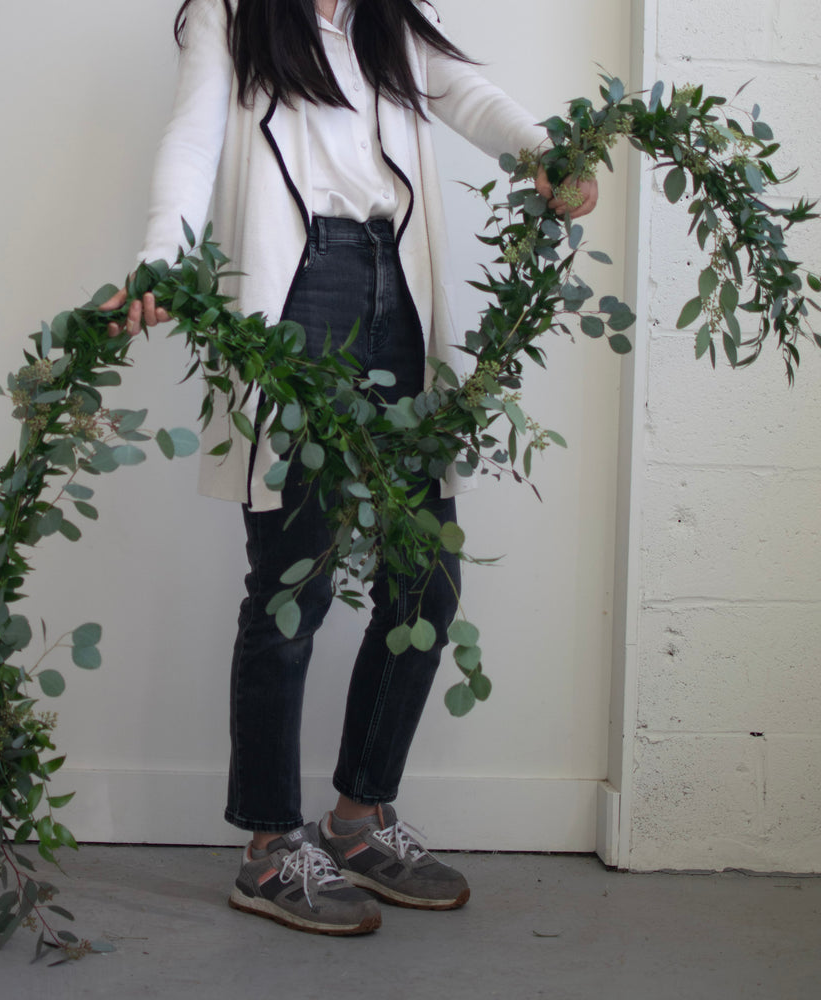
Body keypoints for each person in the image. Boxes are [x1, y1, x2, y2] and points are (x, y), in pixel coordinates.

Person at [102, 0, 597, 935]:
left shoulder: (390, 14)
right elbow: (195, 134)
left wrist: (547, 151)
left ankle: (359, 820)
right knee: (295, 579)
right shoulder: (233, 13)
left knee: (427, 579)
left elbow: (464, 91)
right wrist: (161, 255)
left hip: (395, 285)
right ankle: (267, 848)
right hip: (300, 293)